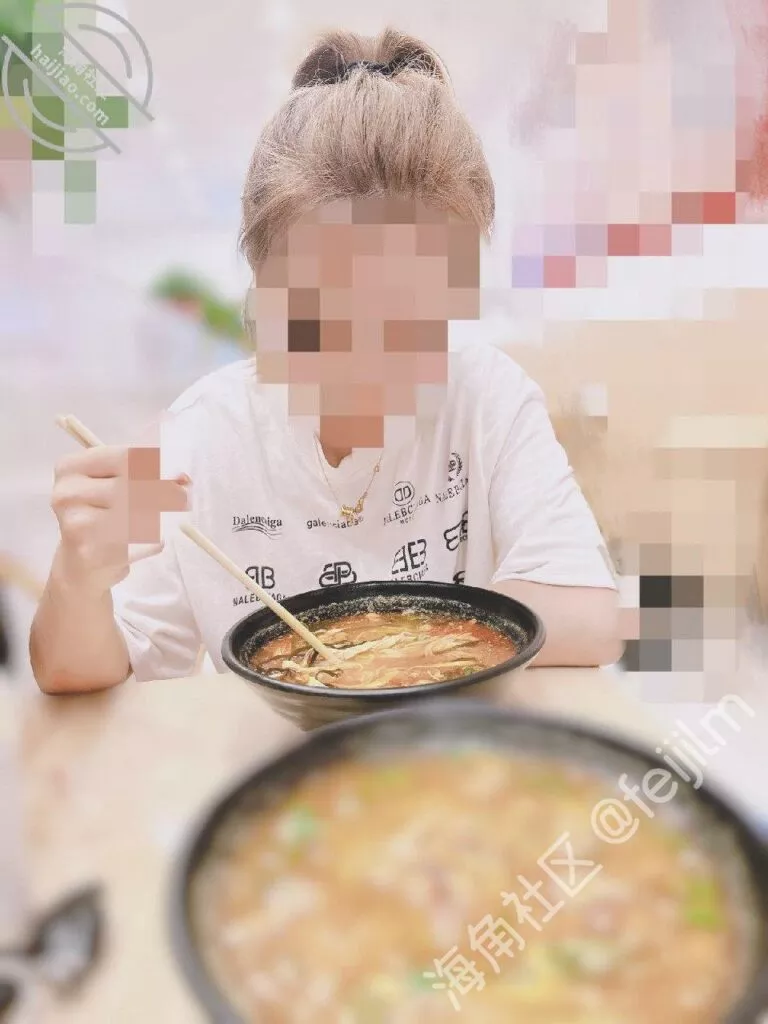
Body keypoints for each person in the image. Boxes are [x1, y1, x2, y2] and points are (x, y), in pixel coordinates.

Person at [30, 28, 621, 694]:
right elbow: (74, 671)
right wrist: (78, 579)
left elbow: (590, 616)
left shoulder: (485, 397)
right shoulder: (198, 437)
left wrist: (384, 654)